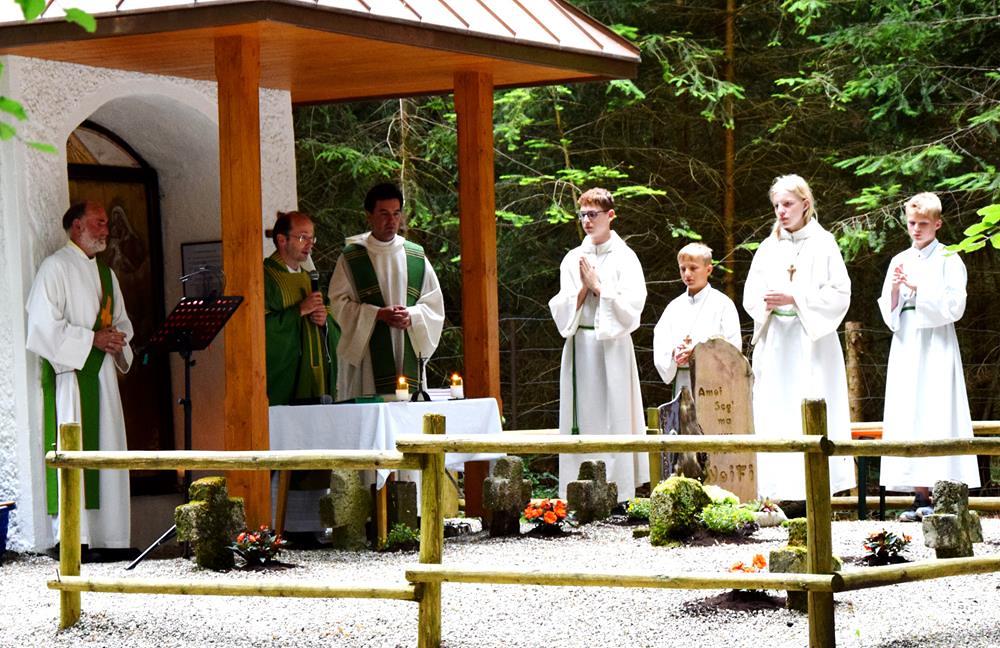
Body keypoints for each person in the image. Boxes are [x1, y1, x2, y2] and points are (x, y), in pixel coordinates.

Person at [25, 201, 134, 551]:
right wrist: (91, 340)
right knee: (75, 449)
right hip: (72, 378)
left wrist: (117, 339)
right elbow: (41, 327)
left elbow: (122, 321)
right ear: (76, 226)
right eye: (98, 223)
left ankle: (110, 538)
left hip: (103, 378)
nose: (106, 230)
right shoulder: (54, 268)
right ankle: (76, 539)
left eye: (105, 224)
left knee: (108, 450)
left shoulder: (107, 274)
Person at [742, 175, 854, 502]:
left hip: (811, 343)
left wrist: (795, 298)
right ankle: (773, 493)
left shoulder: (824, 243)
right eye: (776, 205)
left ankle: (813, 492)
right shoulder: (768, 247)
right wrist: (767, 303)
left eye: (787, 204)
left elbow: (840, 294)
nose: (781, 211)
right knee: (774, 411)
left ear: (805, 204)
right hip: (776, 341)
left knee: (809, 407)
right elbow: (751, 293)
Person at [877, 192, 980, 521]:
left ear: (937, 223)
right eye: (911, 223)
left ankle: (943, 493)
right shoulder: (899, 259)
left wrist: (920, 288)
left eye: (923, 223)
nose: (916, 229)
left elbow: (955, 306)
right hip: (907, 340)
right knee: (909, 410)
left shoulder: (949, 258)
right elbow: (889, 310)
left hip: (936, 342)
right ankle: (919, 494)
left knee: (936, 410)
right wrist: (896, 291)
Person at [549, 188, 649, 501]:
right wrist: (583, 290)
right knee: (583, 418)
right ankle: (578, 490)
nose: (587, 221)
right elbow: (561, 305)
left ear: (610, 215)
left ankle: (618, 491)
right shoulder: (572, 258)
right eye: (582, 215)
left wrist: (600, 288)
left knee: (615, 415)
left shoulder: (625, 257)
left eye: (593, 214)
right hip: (581, 344)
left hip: (613, 346)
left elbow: (634, 305)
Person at [328, 182, 445, 400]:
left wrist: (412, 315)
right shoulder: (352, 257)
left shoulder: (415, 256)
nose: (391, 221)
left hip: (406, 348)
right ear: (369, 215)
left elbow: (434, 306)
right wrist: (376, 314)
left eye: (396, 213)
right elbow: (337, 306)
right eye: (384, 214)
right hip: (368, 358)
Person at [264, 210, 340, 405]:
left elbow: (333, 327)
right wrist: (298, 311)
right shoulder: (265, 278)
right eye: (302, 237)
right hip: (286, 380)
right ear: (282, 240)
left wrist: (325, 322)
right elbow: (260, 329)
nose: (310, 244)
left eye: (312, 238)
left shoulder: (309, 278)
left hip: (317, 375)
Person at [653, 242, 742, 396]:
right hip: (682, 381)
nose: (687, 274)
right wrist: (674, 353)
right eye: (683, 269)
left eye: (693, 268)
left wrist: (698, 352)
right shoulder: (674, 307)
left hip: (714, 383)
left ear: (708, 269)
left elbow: (733, 347)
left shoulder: (723, 304)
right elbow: (661, 340)